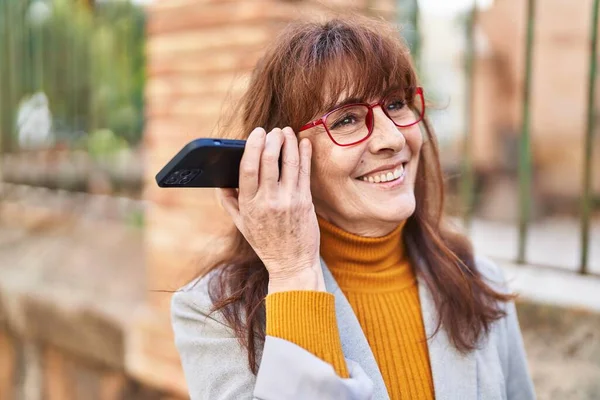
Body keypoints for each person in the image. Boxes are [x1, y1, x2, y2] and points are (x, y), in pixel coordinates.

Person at [171, 15, 536, 400]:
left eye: (397, 104)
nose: (392, 138)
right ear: (284, 156)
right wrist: (294, 272)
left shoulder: (478, 281)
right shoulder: (212, 313)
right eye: (346, 119)